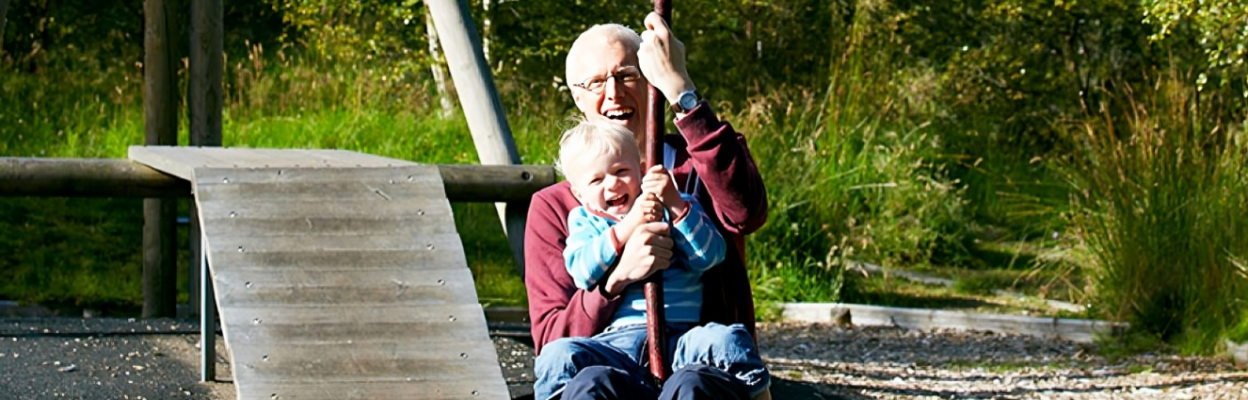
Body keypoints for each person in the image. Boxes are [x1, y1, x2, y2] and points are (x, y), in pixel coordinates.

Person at [524, 11, 770, 400]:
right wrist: (616, 279)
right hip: (611, 360)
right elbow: (552, 335)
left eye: (627, 76)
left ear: (650, 80)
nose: (614, 94)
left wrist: (681, 90)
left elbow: (747, 212)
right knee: (590, 384)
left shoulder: (699, 164)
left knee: (692, 385)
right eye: (596, 83)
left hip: (699, 362)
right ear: (576, 96)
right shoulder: (556, 206)